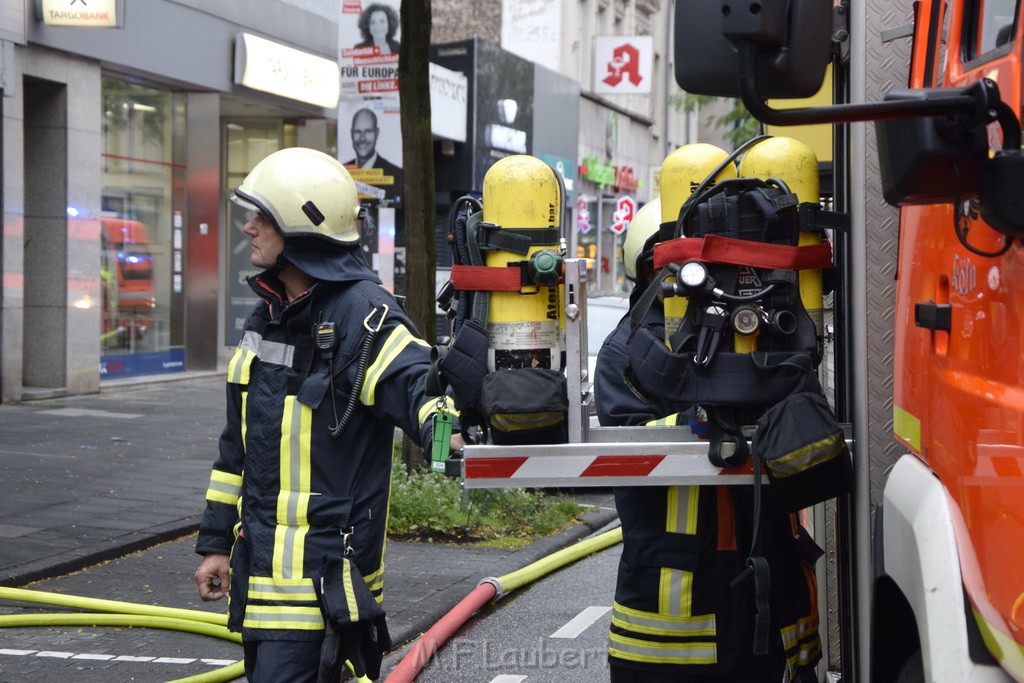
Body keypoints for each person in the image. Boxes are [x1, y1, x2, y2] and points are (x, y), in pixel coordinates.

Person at [194, 147, 461, 682]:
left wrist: (444, 429)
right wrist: (215, 544)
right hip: (264, 588)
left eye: (262, 217)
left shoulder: (365, 314)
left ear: (301, 225)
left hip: (325, 592)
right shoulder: (267, 315)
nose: (248, 227)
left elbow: (416, 383)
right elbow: (235, 449)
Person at [595, 197, 823, 682]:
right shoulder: (633, 353)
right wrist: (708, 415)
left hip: (768, 603)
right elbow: (628, 452)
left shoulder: (769, 340)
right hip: (673, 622)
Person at [344, 107, 403, 203]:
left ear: (377, 133)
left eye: (368, 131)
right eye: (357, 132)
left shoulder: (396, 174)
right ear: (351, 133)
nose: (362, 138)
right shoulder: (342, 172)